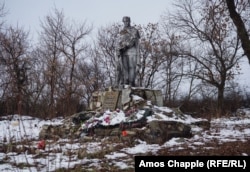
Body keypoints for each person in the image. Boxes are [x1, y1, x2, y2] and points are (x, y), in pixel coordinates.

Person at [115, 16, 140, 87]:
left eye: (127, 21)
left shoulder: (134, 30)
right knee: (124, 68)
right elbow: (119, 41)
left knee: (132, 67)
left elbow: (134, 40)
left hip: (132, 51)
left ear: (129, 21)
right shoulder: (122, 31)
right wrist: (119, 48)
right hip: (123, 52)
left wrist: (126, 45)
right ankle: (126, 82)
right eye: (124, 21)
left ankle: (131, 83)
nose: (126, 23)